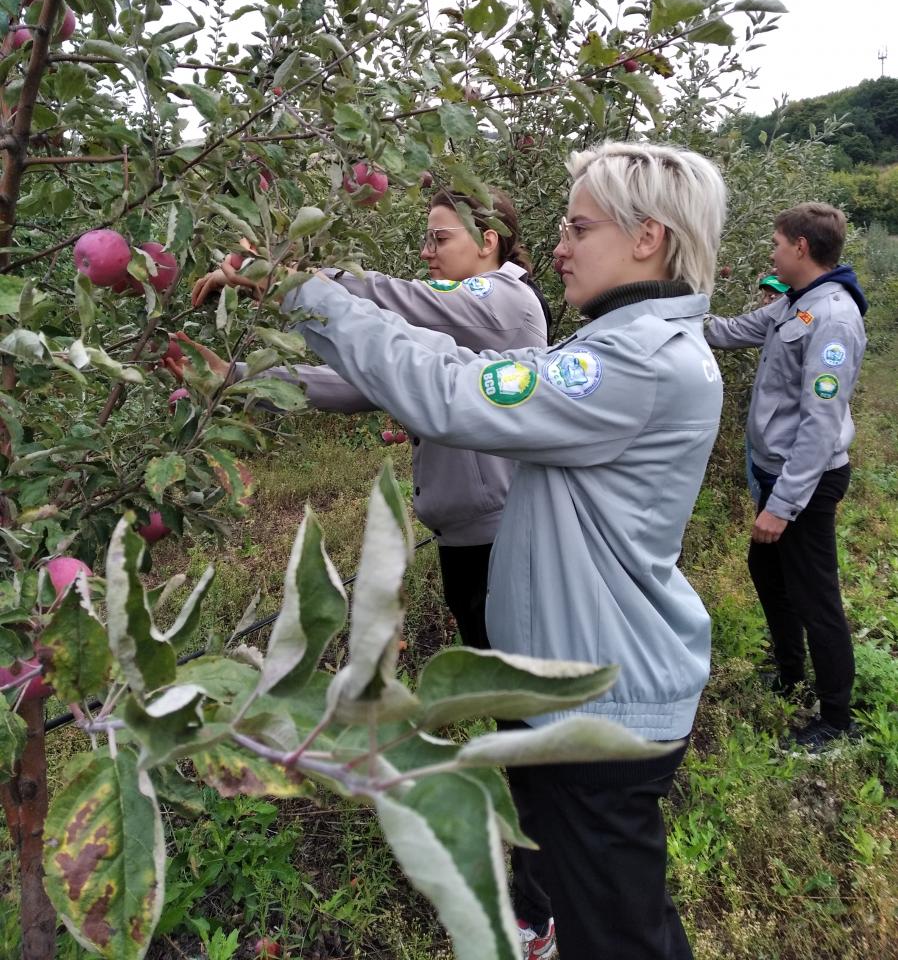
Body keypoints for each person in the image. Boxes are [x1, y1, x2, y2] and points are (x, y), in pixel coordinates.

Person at [271, 142, 727, 960]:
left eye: (578, 227)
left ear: (647, 236)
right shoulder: (616, 348)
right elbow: (473, 367)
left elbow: (453, 395)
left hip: (599, 706)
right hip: (572, 686)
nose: (557, 246)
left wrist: (308, 294)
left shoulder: (638, 364)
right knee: (608, 908)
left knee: (620, 935)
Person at [186, 188, 549, 650]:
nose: (426, 252)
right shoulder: (459, 321)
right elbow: (358, 382)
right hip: (466, 541)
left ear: (487, 240)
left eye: (438, 238)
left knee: (523, 701)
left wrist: (290, 276)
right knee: (507, 696)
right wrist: (234, 380)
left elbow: (400, 300)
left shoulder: (505, 300)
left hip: (504, 539)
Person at [705, 202, 867, 751]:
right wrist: (663, 311)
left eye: (777, 242)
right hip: (777, 473)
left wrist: (783, 505)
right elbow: (727, 332)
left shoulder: (834, 318)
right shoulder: (793, 307)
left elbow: (821, 426)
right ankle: (790, 672)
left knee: (815, 593)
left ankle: (837, 718)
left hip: (807, 481)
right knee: (768, 571)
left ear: (801, 247)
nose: (771, 252)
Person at [746, 274, 791, 503]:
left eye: (773, 294)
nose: (767, 300)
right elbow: (733, 329)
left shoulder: (810, 318)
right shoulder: (772, 321)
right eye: (765, 295)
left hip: (785, 452)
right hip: (762, 441)